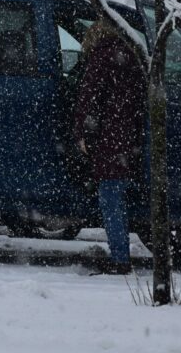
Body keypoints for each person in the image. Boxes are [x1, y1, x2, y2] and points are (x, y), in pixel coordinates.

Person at [72, 18, 146, 275]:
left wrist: (82, 134)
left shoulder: (101, 58)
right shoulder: (130, 58)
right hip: (127, 139)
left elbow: (89, 98)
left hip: (108, 140)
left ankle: (120, 259)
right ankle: (120, 255)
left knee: (111, 199)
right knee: (117, 198)